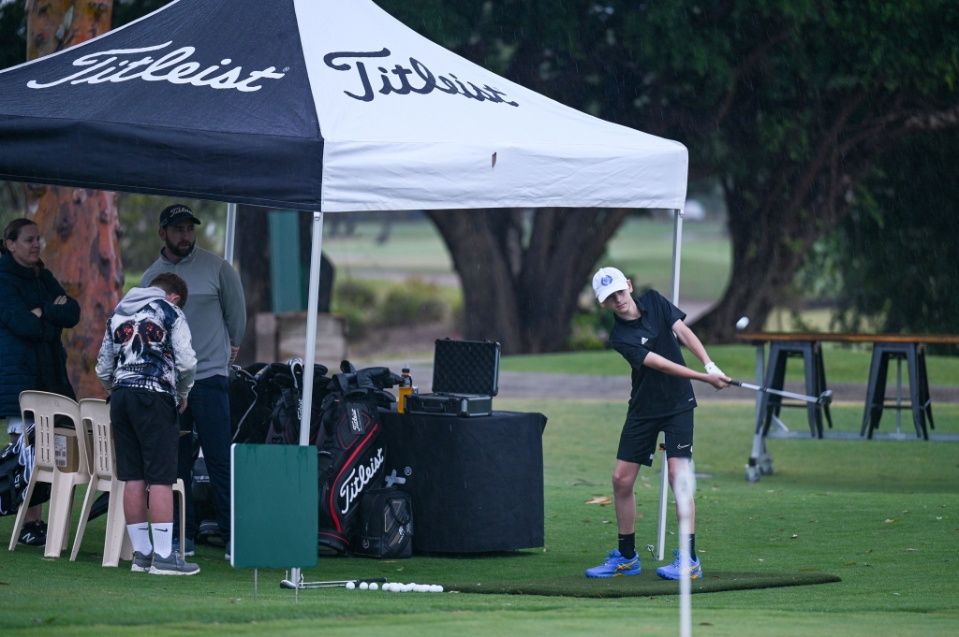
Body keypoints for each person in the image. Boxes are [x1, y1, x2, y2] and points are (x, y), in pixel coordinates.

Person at [585, 266, 730, 580]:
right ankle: (626, 557)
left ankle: (689, 560)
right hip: (644, 408)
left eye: (620, 292)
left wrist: (710, 363)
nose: (618, 300)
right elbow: (661, 364)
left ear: (629, 285)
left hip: (678, 405)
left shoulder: (655, 301)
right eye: (610, 298)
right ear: (604, 303)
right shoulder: (620, 337)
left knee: (679, 477)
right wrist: (705, 378)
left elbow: (683, 333)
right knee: (621, 480)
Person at [141, 204, 246, 558]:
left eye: (189, 228)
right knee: (176, 461)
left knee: (218, 457)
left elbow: (237, 316)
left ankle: (233, 535)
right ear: (163, 234)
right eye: (178, 229)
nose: (185, 235)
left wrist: (230, 347)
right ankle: (181, 536)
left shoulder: (217, 268)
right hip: (168, 385)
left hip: (210, 378)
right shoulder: (151, 278)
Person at [95, 272, 199, 575]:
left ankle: (142, 555)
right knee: (161, 478)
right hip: (154, 396)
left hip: (122, 397)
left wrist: (114, 388)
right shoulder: (170, 312)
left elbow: (103, 364)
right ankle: (165, 557)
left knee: (133, 476)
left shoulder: (118, 312)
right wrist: (182, 392)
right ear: (175, 297)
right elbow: (187, 362)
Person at [0, 217, 80, 546]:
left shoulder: (43, 276)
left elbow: (72, 313)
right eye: (29, 239)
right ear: (10, 244)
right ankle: (26, 522)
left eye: (38, 239)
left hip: (50, 377)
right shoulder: (3, 279)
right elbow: (22, 324)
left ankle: (35, 522)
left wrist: (42, 311)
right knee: (27, 451)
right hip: (19, 380)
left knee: (52, 447)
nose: (36, 244)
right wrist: (51, 314)